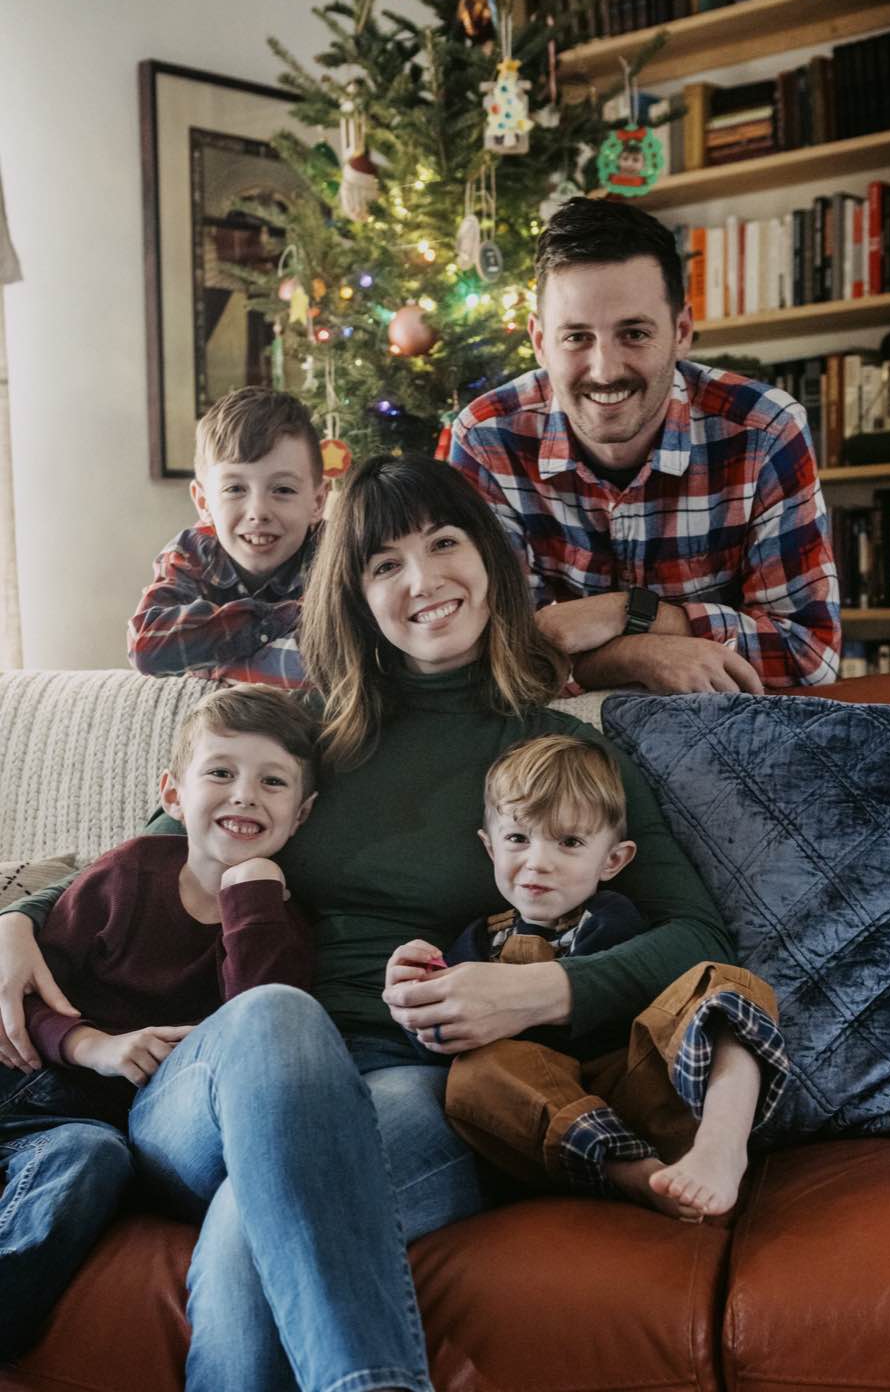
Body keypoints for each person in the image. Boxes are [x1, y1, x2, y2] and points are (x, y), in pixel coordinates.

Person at [1, 455, 737, 1392]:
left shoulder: (557, 753)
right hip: (211, 1092)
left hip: (416, 1087)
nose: (421, 581)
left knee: (243, 1237)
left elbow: (699, 938)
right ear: (353, 593)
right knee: (276, 1014)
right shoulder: (304, 738)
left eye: (442, 543)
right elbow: (155, 849)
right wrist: (16, 919)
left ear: (488, 559)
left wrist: (536, 989)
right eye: (383, 564)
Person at [0, 685, 325, 1361]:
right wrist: (93, 1046)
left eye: (272, 782)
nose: (244, 795)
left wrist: (252, 894)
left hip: (103, 1136)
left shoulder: (281, 925)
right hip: (30, 1088)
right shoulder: (125, 877)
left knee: (91, 1156)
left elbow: (261, 1022)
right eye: (220, 773)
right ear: (173, 795)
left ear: (302, 815)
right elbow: (24, 993)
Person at [450, 195, 841, 695]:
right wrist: (636, 653)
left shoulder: (764, 431)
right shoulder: (487, 439)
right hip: (551, 752)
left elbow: (809, 655)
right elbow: (484, 656)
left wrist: (628, 614)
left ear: (681, 332)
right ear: (539, 341)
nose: (605, 369)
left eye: (634, 333)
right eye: (576, 338)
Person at [389, 735, 787, 1220]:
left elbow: (632, 1003)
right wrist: (416, 996)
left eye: (569, 842)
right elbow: (440, 1043)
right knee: (474, 1077)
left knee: (726, 981)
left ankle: (722, 1146)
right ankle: (634, 1175)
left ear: (613, 861)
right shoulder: (478, 941)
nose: (538, 861)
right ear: (489, 847)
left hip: (643, 1083)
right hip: (555, 1115)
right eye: (518, 838)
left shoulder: (611, 918)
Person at [128, 387, 327, 688]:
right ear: (204, 503)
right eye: (235, 489)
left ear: (317, 502)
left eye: (283, 490)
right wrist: (280, 620)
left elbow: (336, 664)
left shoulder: (335, 552)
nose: (258, 512)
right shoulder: (192, 554)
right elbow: (148, 647)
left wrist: (210, 661)